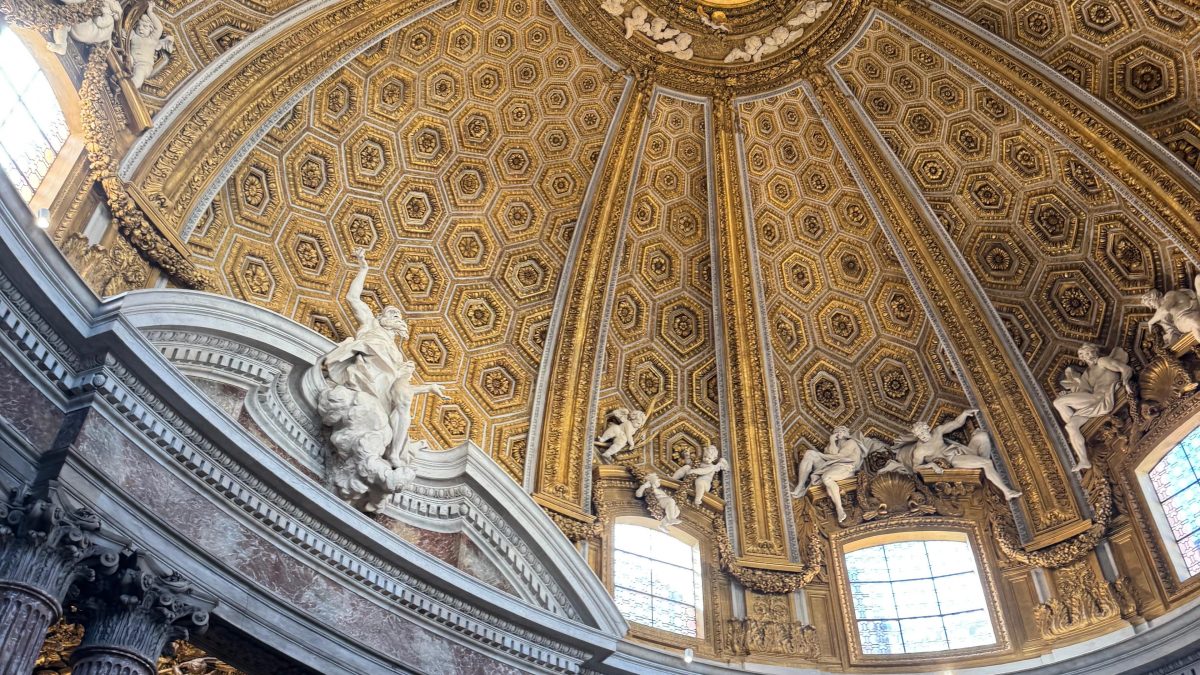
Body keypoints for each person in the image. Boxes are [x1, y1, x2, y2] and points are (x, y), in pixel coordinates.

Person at [1053, 345, 1134, 471]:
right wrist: (1069, 396)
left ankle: (1078, 422)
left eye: (1090, 352)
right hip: (1092, 402)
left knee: (1058, 403)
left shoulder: (1103, 361)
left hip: (1102, 397)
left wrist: (1126, 382)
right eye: (1084, 354)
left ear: (1095, 352)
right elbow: (1084, 392)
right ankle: (1084, 460)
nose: (1088, 356)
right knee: (1070, 426)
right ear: (1081, 357)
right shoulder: (1086, 374)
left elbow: (1125, 369)